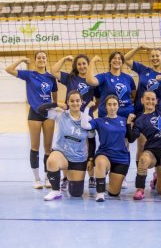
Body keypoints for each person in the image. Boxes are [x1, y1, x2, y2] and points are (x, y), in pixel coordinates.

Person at [124, 47, 161, 189]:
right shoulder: (143, 69)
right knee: (141, 146)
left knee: (158, 144)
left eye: (157, 56)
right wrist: (138, 48)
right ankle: (141, 178)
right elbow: (125, 59)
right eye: (152, 56)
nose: (154, 58)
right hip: (141, 113)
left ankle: (157, 175)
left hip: (158, 113)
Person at [6, 51, 58, 189]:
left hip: (48, 114)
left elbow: (55, 96)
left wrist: (54, 107)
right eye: (39, 57)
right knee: (35, 147)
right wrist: (21, 59)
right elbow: (8, 70)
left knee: (48, 148)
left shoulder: (51, 77)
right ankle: (36, 179)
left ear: (47, 60)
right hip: (34, 114)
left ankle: (47, 177)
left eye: (44, 57)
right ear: (35, 60)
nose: (41, 59)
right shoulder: (29, 75)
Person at [51, 54, 98, 188]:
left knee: (90, 145)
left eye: (84, 64)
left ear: (88, 65)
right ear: (76, 66)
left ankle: (92, 176)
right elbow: (54, 71)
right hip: (69, 117)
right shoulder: (71, 78)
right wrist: (64, 58)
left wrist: (90, 112)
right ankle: (65, 177)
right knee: (67, 143)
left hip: (85, 117)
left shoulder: (92, 80)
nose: (82, 66)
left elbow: (98, 100)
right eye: (79, 64)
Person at [128, 75, 161, 200]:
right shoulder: (140, 120)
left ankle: (156, 180)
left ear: (156, 101)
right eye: (147, 99)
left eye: (153, 99)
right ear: (142, 101)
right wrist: (128, 124)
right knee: (143, 160)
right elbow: (132, 138)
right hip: (152, 152)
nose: (150, 101)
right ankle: (140, 189)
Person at [38, 91, 92, 201]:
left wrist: (90, 158)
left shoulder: (87, 119)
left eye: (77, 100)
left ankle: (69, 180)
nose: (75, 103)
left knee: (76, 193)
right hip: (62, 153)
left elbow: (91, 141)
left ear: (81, 102)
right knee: (51, 161)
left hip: (78, 158)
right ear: (67, 102)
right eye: (71, 101)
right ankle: (55, 191)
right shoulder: (61, 114)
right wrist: (56, 104)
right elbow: (40, 110)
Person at [81, 96, 134, 202]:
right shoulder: (99, 121)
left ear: (118, 106)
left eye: (114, 104)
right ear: (105, 107)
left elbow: (130, 139)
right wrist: (87, 108)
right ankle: (100, 193)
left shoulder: (124, 121)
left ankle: (104, 182)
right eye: (109, 104)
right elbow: (85, 125)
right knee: (100, 162)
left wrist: (129, 123)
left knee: (114, 193)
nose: (112, 107)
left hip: (121, 158)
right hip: (105, 154)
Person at [86, 52, 136, 118]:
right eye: (114, 58)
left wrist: (123, 104)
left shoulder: (128, 78)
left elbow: (134, 97)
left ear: (122, 62)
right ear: (110, 61)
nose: (117, 60)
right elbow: (90, 80)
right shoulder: (104, 77)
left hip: (126, 117)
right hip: (107, 117)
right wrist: (92, 61)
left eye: (119, 59)